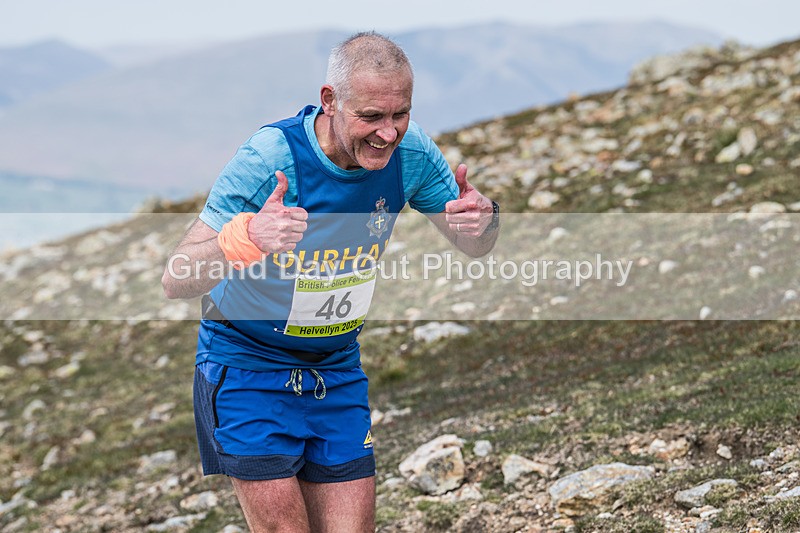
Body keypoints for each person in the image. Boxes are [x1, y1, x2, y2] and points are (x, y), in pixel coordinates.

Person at [162, 31, 499, 533]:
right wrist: (246, 236)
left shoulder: (414, 155)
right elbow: (177, 277)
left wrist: (485, 220)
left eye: (399, 114)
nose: (388, 133)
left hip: (335, 369)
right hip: (248, 367)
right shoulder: (269, 158)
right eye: (370, 117)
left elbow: (473, 243)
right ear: (330, 101)